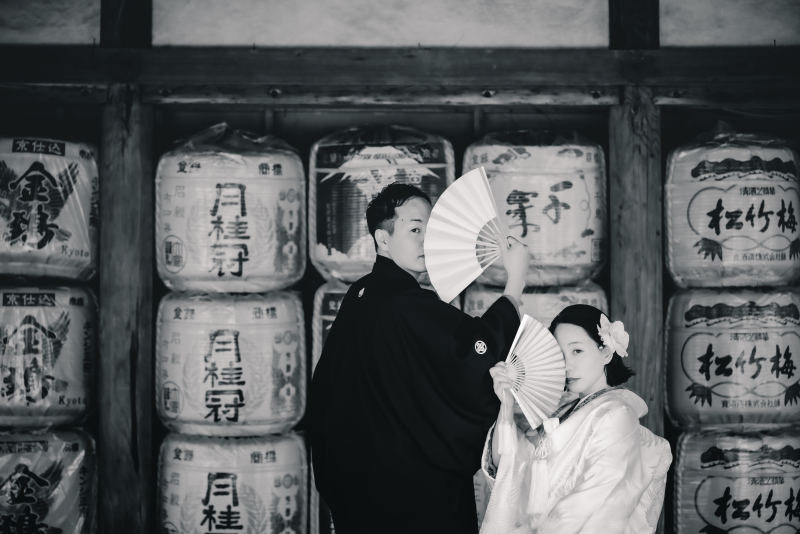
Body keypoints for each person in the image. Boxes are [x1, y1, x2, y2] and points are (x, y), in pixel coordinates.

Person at [307, 182, 531, 534]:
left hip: (361, 491)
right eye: (415, 229)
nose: (427, 240)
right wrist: (515, 281)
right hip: (412, 495)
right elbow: (473, 352)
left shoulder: (362, 294)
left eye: (431, 229)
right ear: (383, 239)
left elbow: (324, 396)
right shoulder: (402, 304)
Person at [481, 305, 672, 534]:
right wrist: (506, 407)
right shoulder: (564, 410)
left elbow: (592, 502)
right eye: (559, 355)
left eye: (577, 351)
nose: (567, 365)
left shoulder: (617, 414)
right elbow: (515, 463)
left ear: (606, 352)